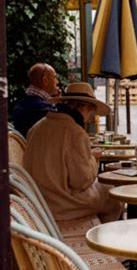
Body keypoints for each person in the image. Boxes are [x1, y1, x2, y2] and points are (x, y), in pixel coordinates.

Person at [24, 82, 122, 223]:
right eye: (90, 113)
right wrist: (93, 159)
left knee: (102, 191)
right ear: (83, 108)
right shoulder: (75, 131)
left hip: (37, 202)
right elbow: (81, 181)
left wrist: (88, 156)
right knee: (114, 197)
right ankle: (101, 240)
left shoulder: (36, 127)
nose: (89, 119)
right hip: (61, 206)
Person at [12, 63, 59, 137]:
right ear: (45, 80)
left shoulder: (19, 105)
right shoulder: (47, 110)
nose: (57, 82)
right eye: (55, 77)